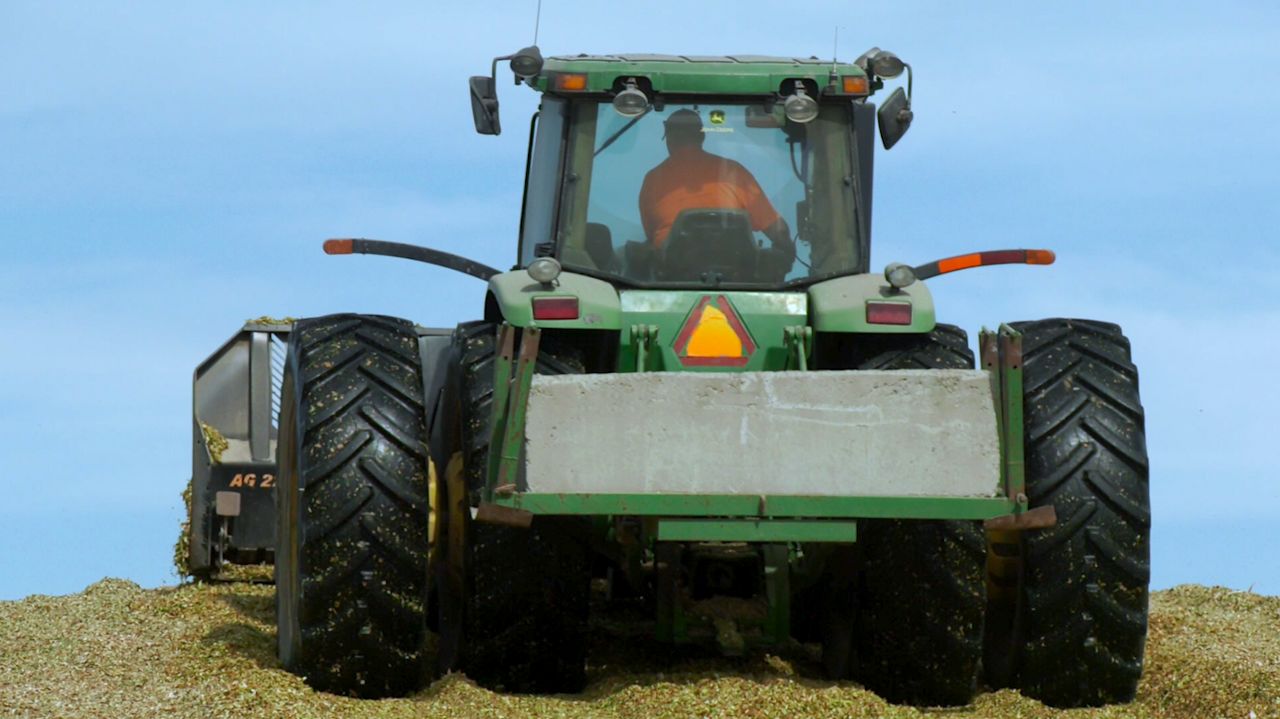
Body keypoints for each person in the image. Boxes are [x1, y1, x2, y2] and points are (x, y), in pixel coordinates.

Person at [638, 109, 795, 262]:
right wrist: (785, 254)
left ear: (669, 139)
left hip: (672, 273)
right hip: (736, 272)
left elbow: (652, 236)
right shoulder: (732, 171)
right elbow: (778, 230)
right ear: (702, 136)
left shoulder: (653, 179)